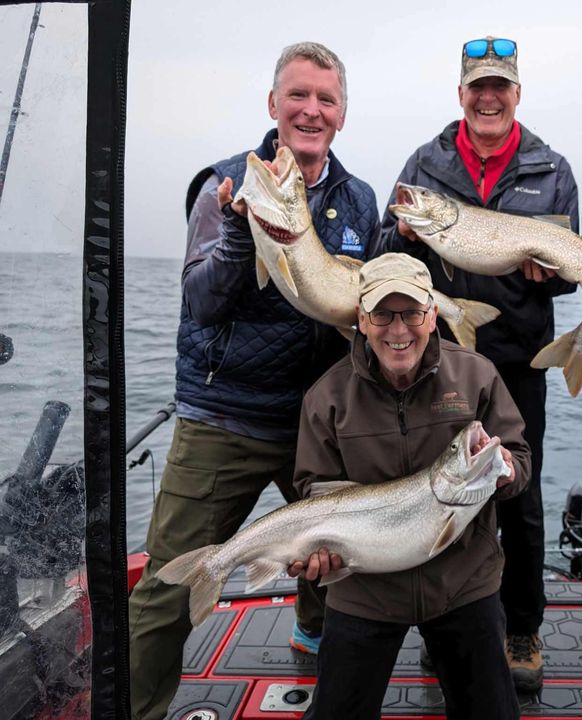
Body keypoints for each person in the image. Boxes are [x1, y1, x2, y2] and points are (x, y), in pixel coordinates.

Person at [127, 42, 381, 720]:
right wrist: (243, 237)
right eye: (298, 95)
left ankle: (310, 636)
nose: (311, 110)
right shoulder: (226, 184)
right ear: (273, 105)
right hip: (226, 418)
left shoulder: (359, 200)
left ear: (342, 115)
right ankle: (138, 708)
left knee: (343, 562)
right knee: (165, 589)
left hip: (317, 426)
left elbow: (360, 317)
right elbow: (200, 302)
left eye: (326, 99)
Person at [379, 35, 578, 692]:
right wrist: (402, 233)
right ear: (460, 94)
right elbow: (385, 254)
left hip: (520, 361)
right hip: (438, 360)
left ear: (517, 93)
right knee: (443, 490)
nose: (488, 98)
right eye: (477, 87)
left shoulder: (552, 169)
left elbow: (569, 277)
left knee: (516, 492)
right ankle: (447, 625)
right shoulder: (424, 166)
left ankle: (521, 627)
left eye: (501, 87)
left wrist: (549, 274)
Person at [289, 252, 531, 720]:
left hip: (463, 583)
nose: (398, 331)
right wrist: (319, 556)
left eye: (412, 314)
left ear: (432, 314)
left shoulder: (477, 375)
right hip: (364, 590)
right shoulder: (326, 397)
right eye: (382, 314)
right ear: (361, 319)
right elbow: (314, 492)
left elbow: (519, 460)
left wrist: (505, 470)